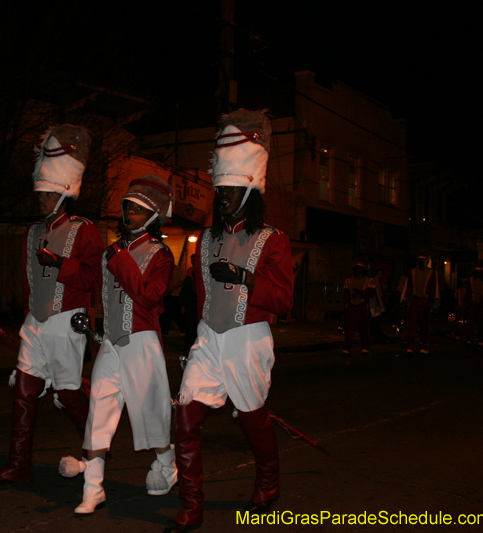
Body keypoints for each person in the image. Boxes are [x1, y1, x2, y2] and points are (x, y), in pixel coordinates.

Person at [166, 110, 293, 533]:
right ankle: (191, 504)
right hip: (208, 340)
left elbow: (284, 300)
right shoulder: (205, 238)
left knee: (254, 418)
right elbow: (199, 300)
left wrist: (244, 278)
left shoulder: (272, 239)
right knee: (185, 416)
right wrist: (192, 336)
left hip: (248, 340)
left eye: (230, 188)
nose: (221, 195)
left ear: (250, 188)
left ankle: (268, 482)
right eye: (219, 188)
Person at [0, 125, 104, 490]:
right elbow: (28, 282)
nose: (40, 199)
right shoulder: (32, 232)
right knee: (23, 389)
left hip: (66, 322)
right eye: (39, 192)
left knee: (68, 394)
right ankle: (19, 463)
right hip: (35, 322)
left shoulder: (85, 231)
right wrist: (26, 316)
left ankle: (98, 451)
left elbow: (94, 278)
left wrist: (59, 265)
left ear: (64, 192)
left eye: (47, 193)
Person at [59, 175, 177, 514]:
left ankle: (167, 464)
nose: (129, 214)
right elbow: (91, 281)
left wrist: (119, 259)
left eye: (138, 210)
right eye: (127, 208)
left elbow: (148, 296)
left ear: (153, 216)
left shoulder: (160, 253)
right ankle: (93, 489)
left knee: (151, 415)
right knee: (99, 412)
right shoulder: (114, 250)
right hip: (111, 343)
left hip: (142, 342)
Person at [400, 252, 439, 354]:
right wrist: (405, 300)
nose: (421, 261)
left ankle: (424, 345)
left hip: (425, 300)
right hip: (414, 300)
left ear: (427, 260)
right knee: (411, 325)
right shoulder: (412, 272)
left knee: (424, 325)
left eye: (423, 259)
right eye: (419, 259)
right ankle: (410, 345)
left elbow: (433, 288)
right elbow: (408, 287)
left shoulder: (431, 273)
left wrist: (431, 302)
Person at [342, 259, 376, 355]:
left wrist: (361, 292)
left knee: (363, 328)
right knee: (349, 328)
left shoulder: (369, 280)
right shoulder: (348, 281)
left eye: (360, 269)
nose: (358, 271)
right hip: (352, 306)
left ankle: (365, 347)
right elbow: (346, 296)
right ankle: (346, 348)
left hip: (363, 306)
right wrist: (345, 308)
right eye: (356, 269)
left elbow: (371, 293)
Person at [463, 259, 483, 345]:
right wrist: (466, 303)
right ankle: (469, 338)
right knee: (471, 321)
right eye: (477, 271)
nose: (478, 273)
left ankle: (480, 338)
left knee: (481, 322)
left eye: (480, 271)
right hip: (473, 302)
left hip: (482, 303)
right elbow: (468, 292)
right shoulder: (472, 279)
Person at [159, 261, 185, 336]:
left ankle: (182, 329)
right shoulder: (164, 269)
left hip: (175, 294)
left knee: (175, 313)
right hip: (167, 294)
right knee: (167, 313)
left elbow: (182, 281)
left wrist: (173, 287)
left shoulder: (177, 269)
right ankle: (165, 331)